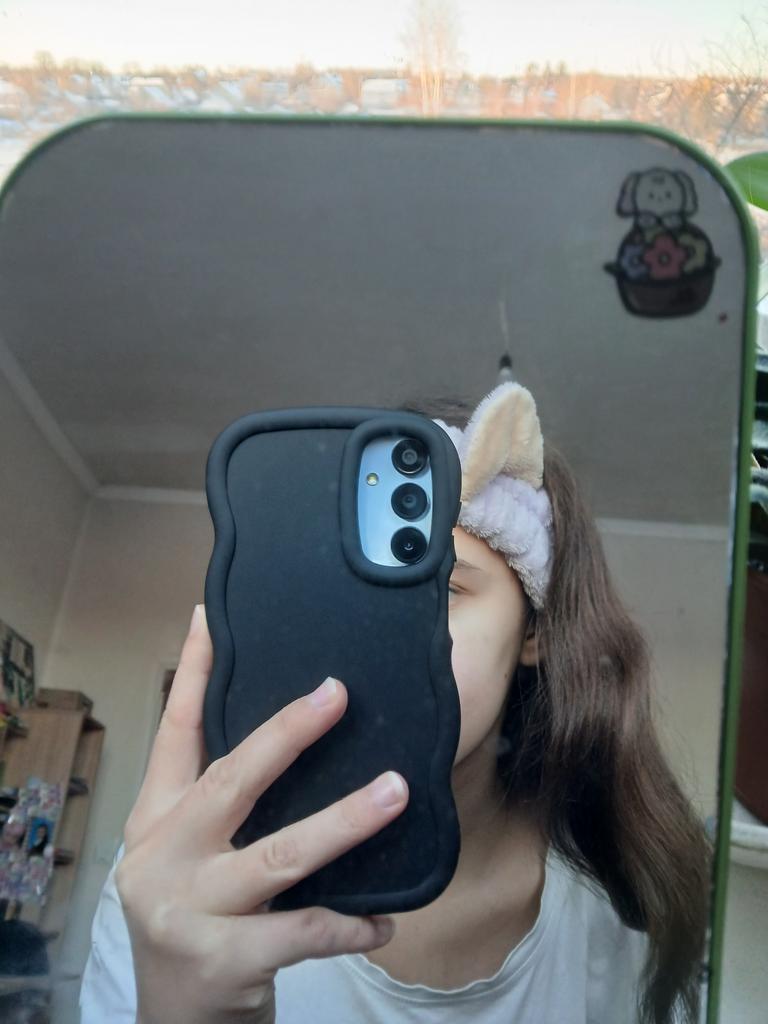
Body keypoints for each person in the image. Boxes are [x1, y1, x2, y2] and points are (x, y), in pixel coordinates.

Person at [79, 381, 711, 1024]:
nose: (374, 640)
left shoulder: (614, 918)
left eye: (442, 589)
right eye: (341, 601)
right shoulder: (177, 888)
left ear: (533, 631)